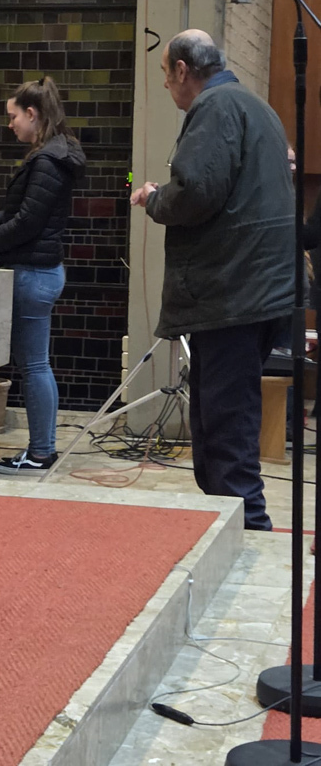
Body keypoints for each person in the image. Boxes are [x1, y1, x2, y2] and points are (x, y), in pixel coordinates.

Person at [130, 29, 294, 530]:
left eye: (165, 74)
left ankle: (249, 532)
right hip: (255, 290)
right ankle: (230, 525)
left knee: (225, 426)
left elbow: (197, 192)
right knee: (217, 423)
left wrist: (155, 199)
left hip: (232, 292)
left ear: (183, 70)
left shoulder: (215, 107)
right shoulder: (255, 105)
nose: (165, 85)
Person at [0, 76, 86, 474]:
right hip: (40, 270)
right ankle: (42, 449)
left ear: (32, 114)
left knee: (34, 366)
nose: (10, 124)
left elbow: (27, 222)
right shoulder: (53, 155)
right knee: (36, 364)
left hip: (33, 272)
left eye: (13, 116)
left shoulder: (47, 161)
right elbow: (18, 215)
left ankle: (40, 453)